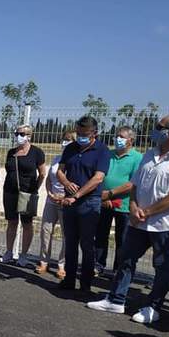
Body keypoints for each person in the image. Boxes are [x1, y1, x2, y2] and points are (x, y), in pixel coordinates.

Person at [87, 115, 169, 324]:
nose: (155, 130)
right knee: (126, 259)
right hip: (139, 220)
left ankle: (153, 307)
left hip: (164, 224)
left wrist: (147, 212)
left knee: (161, 266)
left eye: (160, 127)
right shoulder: (150, 154)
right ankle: (116, 299)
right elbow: (135, 185)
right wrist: (135, 207)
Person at [56, 116, 110, 292]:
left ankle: (86, 283)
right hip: (69, 201)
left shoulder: (102, 150)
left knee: (87, 244)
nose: (80, 137)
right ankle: (69, 279)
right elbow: (60, 171)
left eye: (84, 134)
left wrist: (77, 195)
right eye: (78, 133)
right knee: (70, 242)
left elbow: (98, 178)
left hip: (89, 202)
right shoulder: (71, 148)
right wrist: (66, 183)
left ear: (94, 133)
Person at [94, 126, 142, 276]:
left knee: (123, 238)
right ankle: (98, 264)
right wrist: (104, 196)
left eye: (121, 137)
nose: (117, 139)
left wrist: (111, 194)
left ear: (130, 140)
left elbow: (132, 183)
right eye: (117, 136)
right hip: (105, 202)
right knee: (101, 235)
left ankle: (118, 269)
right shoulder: (109, 154)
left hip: (125, 205)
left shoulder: (137, 158)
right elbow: (100, 174)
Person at [0, 124, 46, 266]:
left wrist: (34, 189)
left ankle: (23, 255)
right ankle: (9, 252)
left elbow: (42, 174)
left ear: (29, 136)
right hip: (10, 191)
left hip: (27, 193)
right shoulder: (11, 152)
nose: (18, 136)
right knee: (12, 221)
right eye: (17, 133)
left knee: (27, 223)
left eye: (22, 134)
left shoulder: (37, 152)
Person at [35, 131, 76, 278]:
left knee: (67, 234)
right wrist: (49, 193)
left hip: (67, 201)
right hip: (51, 200)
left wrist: (65, 196)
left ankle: (62, 264)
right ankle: (44, 261)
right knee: (46, 231)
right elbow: (49, 179)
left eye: (68, 140)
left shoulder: (75, 160)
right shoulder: (57, 159)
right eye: (63, 140)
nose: (64, 143)